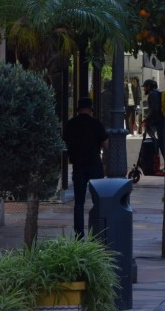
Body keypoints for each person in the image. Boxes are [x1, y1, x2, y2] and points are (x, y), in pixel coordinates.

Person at [63, 97, 108, 239]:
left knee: (79, 202)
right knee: (98, 201)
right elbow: (107, 145)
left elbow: (64, 142)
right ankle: (97, 232)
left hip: (78, 165)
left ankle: (79, 234)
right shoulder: (96, 124)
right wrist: (105, 160)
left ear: (78, 109)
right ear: (90, 109)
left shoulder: (71, 124)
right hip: (94, 164)